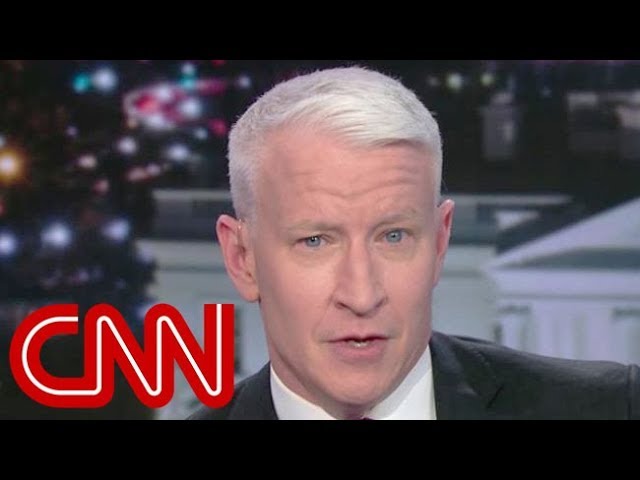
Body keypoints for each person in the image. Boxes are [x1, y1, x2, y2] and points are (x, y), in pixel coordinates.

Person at [188, 66, 640, 420]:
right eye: (315, 241)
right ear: (242, 258)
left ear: (440, 242)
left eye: (393, 236)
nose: (361, 295)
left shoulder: (612, 408)